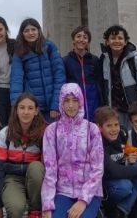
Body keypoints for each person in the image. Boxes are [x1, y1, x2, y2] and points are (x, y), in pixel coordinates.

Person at [41, 83, 104, 218]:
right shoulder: (52, 130)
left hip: (90, 192)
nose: (71, 105)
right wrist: (47, 203)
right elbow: (50, 169)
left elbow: (97, 169)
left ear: (80, 101)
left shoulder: (92, 129)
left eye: (75, 100)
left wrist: (83, 200)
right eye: (67, 100)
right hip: (62, 191)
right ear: (61, 103)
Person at [95, 106, 137, 218]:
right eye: (109, 126)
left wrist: (128, 157)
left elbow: (125, 151)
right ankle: (109, 209)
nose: (114, 129)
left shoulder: (122, 133)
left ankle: (121, 210)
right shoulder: (97, 142)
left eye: (116, 124)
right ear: (99, 127)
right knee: (125, 186)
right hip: (104, 184)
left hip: (120, 177)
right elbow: (114, 171)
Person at [0, 92, 46, 218]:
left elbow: (49, 165)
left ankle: (35, 209)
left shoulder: (44, 134)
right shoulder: (4, 134)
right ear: (16, 110)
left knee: (36, 167)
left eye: (30, 108)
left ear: (36, 111)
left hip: (35, 179)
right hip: (13, 178)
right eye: (22, 108)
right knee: (15, 209)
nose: (26, 112)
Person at [10, 18, 65, 122]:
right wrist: (16, 106)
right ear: (22, 34)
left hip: (51, 107)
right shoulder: (19, 52)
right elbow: (16, 80)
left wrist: (56, 104)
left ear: (39, 30)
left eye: (33, 29)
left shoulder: (49, 47)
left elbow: (59, 75)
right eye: (26, 30)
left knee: (52, 136)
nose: (30, 33)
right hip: (31, 107)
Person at [100, 25, 137, 128]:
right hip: (114, 113)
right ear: (107, 41)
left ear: (125, 42)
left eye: (120, 38)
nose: (117, 41)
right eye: (113, 38)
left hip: (134, 112)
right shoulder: (103, 59)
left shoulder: (136, 59)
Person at [63, 25, 104, 122]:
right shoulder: (65, 61)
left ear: (88, 42)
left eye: (85, 37)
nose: (81, 39)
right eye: (78, 36)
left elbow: (100, 81)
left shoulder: (95, 60)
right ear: (73, 40)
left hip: (93, 102)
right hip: (74, 102)